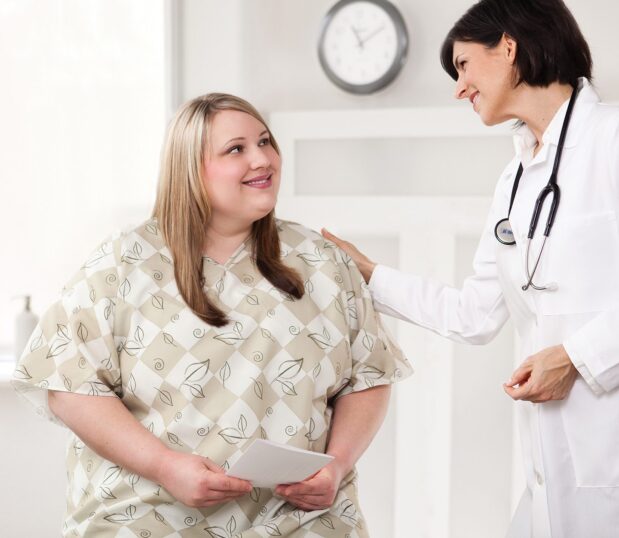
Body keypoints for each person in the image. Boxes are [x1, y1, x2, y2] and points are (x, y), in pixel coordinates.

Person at [12, 93, 412, 537]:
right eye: (236, 149)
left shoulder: (323, 261)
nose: (262, 159)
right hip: (148, 513)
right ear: (190, 170)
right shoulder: (122, 262)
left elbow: (369, 376)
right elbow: (67, 385)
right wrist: (165, 467)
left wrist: (336, 467)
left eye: (265, 141)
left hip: (297, 518)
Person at [323, 0, 619, 536]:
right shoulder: (515, 179)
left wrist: (577, 357)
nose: (459, 88)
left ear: (509, 47)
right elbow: (473, 314)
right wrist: (368, 274)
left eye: (462, 65)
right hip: (551, 467)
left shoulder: (613, 138)